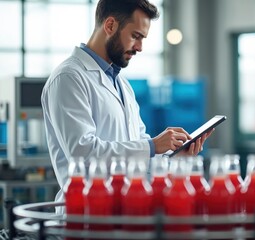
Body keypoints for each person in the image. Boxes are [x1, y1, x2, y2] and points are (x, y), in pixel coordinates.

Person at [41, 0, 212, 213]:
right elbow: (82, 154)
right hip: (87, 215)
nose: (140, 47)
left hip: (127, 211)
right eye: (136, 36)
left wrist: (173, 159)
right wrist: (152, 145)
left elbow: (139, 155)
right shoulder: (69, 78)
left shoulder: (122, 84)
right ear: (110, 25)